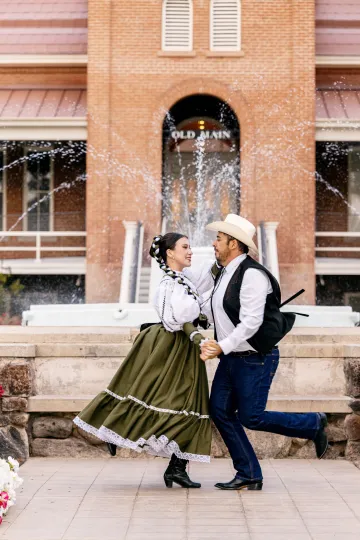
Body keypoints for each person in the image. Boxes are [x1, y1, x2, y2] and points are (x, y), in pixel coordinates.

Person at [186, 214, 329, 491]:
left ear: (234, 243)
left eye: (219, 238)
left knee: (251, 416)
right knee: (219, 411)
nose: (214, 243)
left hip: (254, 358)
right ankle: (249, 472)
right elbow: (214, 311)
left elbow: (250, 321)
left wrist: (221, 346)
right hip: (231, 358)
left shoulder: (252, 274)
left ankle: (313, 423)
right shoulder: (225, 272)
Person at [74, 233, 212, 489]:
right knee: (155, 398)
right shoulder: (168, 285)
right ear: (170, 252)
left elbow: (205, 282)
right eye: (185, 247)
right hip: (168, 347)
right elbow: (175, 319)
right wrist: (197, 326)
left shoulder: (183, 280)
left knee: (189, 404)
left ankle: (176, 468)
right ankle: (114, 429)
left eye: (190, 247)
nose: (190, 251)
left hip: (183, 348)